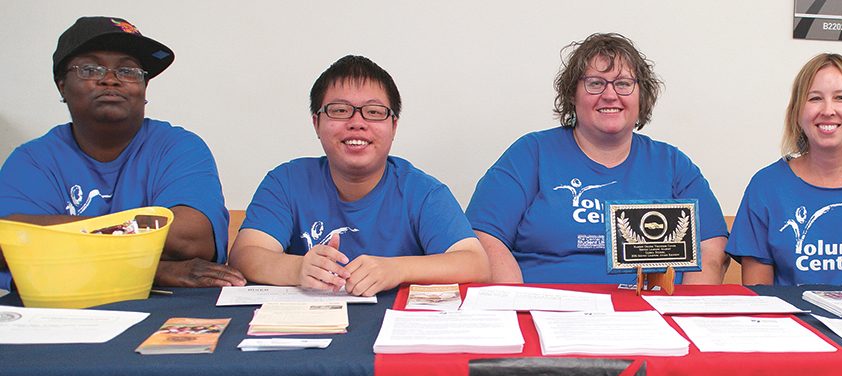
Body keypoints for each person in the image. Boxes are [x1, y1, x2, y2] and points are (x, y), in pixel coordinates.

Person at [0, 16, 245, 290]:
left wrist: (61, 240)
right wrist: (157, 271)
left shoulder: (178, 147)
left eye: (128, 71)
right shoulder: (32, 160)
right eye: (91, 69)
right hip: (56, 314)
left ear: (144, 88)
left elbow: (190, 240)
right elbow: (9, 246)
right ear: (61, 85)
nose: (110, 80)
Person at [465, 33, 728, 284]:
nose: (610, 95)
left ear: (641, 95)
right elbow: (484, 238)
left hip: (651, 317)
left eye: (623, 83)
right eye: (595, 83)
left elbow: (712, 249)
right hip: (545, 312)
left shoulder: (672, 164)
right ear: (572, 94)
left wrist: (681, 313)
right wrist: (516, 304)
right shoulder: (531, 153)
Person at [229, 55, 489, 296]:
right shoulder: (286, 182)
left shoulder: (422, 192)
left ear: (393, 126)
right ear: (316, 123)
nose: (357, 122)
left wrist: (397, 270)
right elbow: (246, 253)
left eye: (374, 112)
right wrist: (297, 269)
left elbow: (475, 263)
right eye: (340, 110)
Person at [727, 53, 842, 286]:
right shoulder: (766, 186)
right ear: (797, 113)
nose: (828, 110)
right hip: (790, 322)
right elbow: (760, 301)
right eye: (815, 98)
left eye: (841, 97)